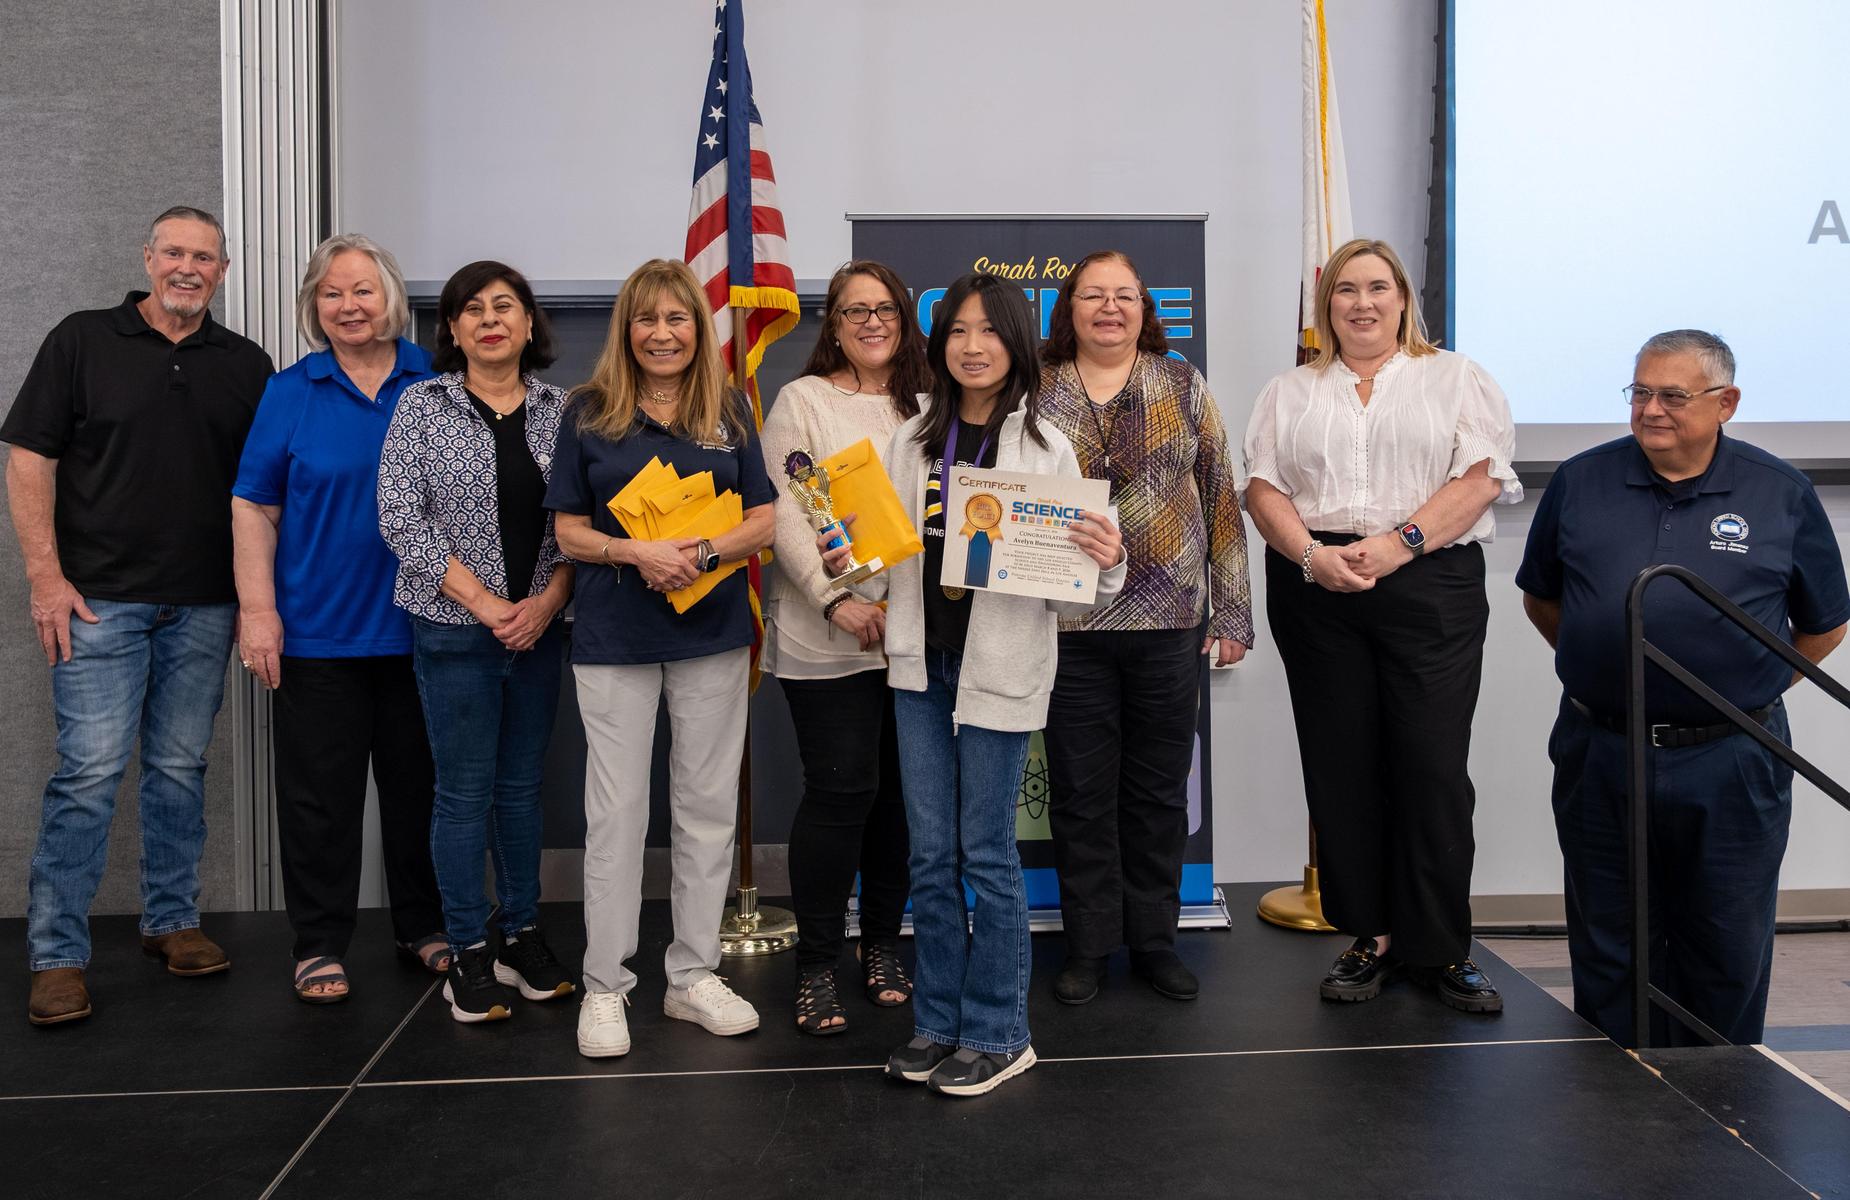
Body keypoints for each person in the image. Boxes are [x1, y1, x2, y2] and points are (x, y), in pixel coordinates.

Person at [826, 271, 1125, 1097]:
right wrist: (845, 560)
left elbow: (1086, 586)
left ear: (1014, 343)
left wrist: (1107, 559)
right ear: (939, 343)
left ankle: (1001, 1033)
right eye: (956, 331)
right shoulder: (912, 436)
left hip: (1000, 668)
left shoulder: (1045, 447)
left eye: (988, 331)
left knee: (986, 857)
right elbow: (879, 560)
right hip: (921, 667)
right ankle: (938, 1024)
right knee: (930, 857)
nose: (972, 345)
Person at [1516, 329, 1847, 1047]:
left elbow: (1824, 625)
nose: (1651, 410)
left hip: (1733, 757)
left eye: (1672, 395)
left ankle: (1724, 1114)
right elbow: (1543, 601)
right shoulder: (1580, 480)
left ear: (1725, 402)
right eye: (1640, 392)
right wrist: (1607, 668)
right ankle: (1613, 1103)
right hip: (1601, 748)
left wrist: (1743, 690)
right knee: (1608, 939)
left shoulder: (1779, 491)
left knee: (1725, 942)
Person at [5, 206, 273, 1026]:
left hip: (202, 604)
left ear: (223, 272)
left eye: (205, 257)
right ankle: (57, 955)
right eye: (175, 253)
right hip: (98, 602)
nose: (189, 268)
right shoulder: (82, 341)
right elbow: (28, 457)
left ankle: (172, 923)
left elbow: (260, 494)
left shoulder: (246, 365)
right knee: (87, 774)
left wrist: (255, 600)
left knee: (178, 770)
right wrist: (46, 581)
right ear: (148, 259)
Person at [1242, 237, 1520, 1013]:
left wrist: (1398, 546)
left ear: (1403, 299)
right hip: (1316, 585)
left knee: (1430, 767)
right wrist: (1308, 556)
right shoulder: (1289, 391)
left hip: (1427, 579)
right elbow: (1262, 489)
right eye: (1345, 291)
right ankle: (1370, 936)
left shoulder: (1455, 377)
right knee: (1343, 766)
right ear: (1325, 305)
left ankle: (1441, 949)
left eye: (1377, 288)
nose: (1361, 303)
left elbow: (1481, 480)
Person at [548, 259, 776, 1059]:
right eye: (647, 319)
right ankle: (606, 984)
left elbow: (766, 519)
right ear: (627, 330)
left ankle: (692, 976)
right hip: (614, 640)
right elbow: (567, 530)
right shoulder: (587, 411)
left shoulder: (730, 412)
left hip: (710, 636)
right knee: (614, 815)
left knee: (707, 809)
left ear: (697, 329)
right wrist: (634, 552)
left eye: (677, 319)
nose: (662, 333)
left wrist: (706, 550)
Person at [1036, 249, 1254, 1005]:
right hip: (1068, 627)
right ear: (1069, 309)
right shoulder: (1035, 390)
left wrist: (1232, 611)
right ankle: (1089, 948)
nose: (1108, 308)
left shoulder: (1183, 385)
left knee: (1159, 796)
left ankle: (1157, 941)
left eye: (1123, 295)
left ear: (1143, 307)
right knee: (1081, 795)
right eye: (1092, 295)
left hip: (1170, 625)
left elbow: (1222, 499)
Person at [231, 234, 445, 1003]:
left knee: (423, 790)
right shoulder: (291, 390)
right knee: (320, 799)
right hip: (318, 631)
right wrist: (259, 613)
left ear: (390, 298)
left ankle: (425, 927)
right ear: (312, 308)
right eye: (332, 294)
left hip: (427, 628)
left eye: (362, 290)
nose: (349, 306)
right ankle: (319, 942)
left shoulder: (439, 382)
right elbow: (253, 504)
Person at [377, 260, 576, 1024]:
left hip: (541, 629)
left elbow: (579, 523)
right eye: (472, 309)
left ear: (529, 324)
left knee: (521, 791)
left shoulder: (566, 410)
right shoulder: (421, 406)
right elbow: (402, 519)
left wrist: (547, 601)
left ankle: (520, 933)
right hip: (456, 628)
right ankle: (467, 949)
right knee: (463, 794)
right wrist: (490, 604)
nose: (490, 319)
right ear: (452, 330)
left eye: (506, 306)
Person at [758, 261, 930, 1035]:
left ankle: (884, 947)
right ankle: (819, 964)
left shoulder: (932, 405)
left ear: (903, 316)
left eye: (883, 308)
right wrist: (838, 601)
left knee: (900, 799)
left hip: (919, 634)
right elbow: (790, 513)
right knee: (841, 793)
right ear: (832, 322)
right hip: (828, 638)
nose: (870, 322)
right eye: (853, 310)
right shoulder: (803, 401)